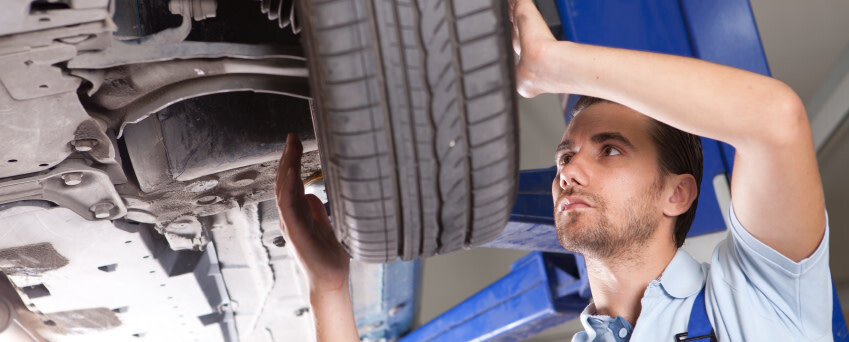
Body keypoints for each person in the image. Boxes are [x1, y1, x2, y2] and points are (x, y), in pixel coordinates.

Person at [273, 0, 832, 340]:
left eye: (609, 150)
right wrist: (329, 287)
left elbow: (775, 121)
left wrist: (556, 66)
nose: (568, 170)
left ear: (677, 193)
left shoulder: (761, 296)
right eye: (566, 155)